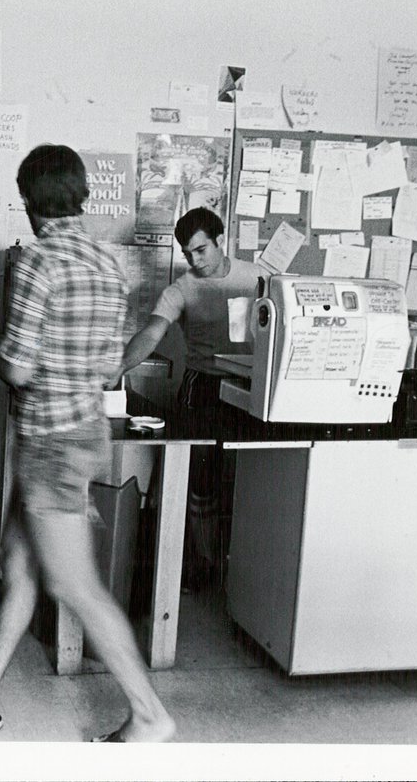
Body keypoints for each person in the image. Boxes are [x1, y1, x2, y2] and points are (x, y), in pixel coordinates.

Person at [0, 144, 174, 742]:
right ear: (81, 195)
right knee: (19, 566)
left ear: (27, 203)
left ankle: (150, 714)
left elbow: (17, 368)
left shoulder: (38, 262)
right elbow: (108, 365)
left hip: (51, 445)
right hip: (85, 429)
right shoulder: (106, 263)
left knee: (74, 585)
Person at [111, 206, 267, 586]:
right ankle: (205, 564)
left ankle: (240, 568)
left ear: (219, 241)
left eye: (202, 250)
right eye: (188, 254)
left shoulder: (260, 279)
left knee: (249, 480)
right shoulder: (181, 289)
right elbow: (150, 334)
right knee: (200, 481)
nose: (196, 261)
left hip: (251, 391)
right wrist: (117, 367)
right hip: (202, 388)